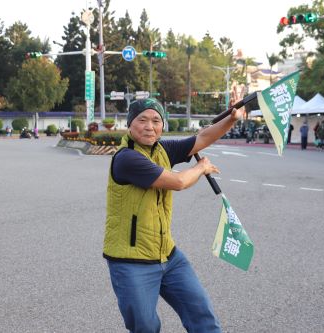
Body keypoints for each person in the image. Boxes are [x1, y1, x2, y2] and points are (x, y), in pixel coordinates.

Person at [103, 98, 242, 333]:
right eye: (142, 120)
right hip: (131, 261)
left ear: (162, 125)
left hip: (168, 255)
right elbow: (177, 182)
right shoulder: (127, 158)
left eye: (156, 120)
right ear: (130, 125)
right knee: (146, 327)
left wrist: (231, 119)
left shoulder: (163, 149)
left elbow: (202, 139)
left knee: (202, 314)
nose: (150, 126)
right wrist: (201, 168)